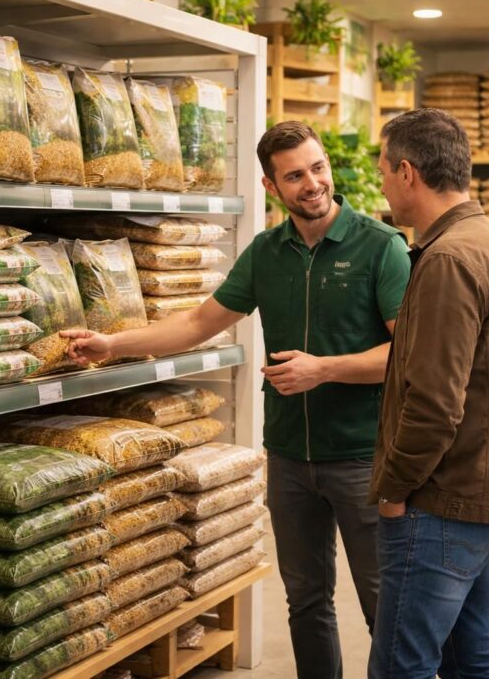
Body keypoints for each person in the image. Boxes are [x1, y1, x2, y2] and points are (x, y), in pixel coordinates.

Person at [62, 120, 411, 679]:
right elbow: (200, 322)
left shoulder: (381, 247)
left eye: (317, 168)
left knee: (385, 606)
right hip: (292, 458)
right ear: (273, 187)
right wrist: (112, 344)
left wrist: (325, 369)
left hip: (363, 457)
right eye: (294, 176)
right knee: (307, 602)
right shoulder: (266, 253)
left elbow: (409, 354)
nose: (312, 184)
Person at [368, 108, 489, 679]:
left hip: (444, 502)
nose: (383, 183)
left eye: (385, 170)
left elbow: (436, 404)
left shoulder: (448, 259)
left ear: (408, 172)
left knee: (401, 666)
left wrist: (394, 488)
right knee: (470, 657)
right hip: (483, 496)